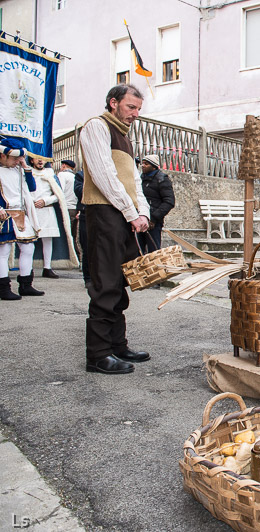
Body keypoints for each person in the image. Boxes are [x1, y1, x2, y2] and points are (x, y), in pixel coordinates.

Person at [79, 84, 151, 375]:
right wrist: (131, 212)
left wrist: (142, 212)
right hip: (104, 213)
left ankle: (117, 344)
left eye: (138, 109)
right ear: (113, 102)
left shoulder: (124, 136)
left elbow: (134, 181)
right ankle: (97, 354)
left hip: (123, 215)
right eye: (130, 107)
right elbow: (103, 176)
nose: (135, 114)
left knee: (119, 283)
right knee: (105, 284)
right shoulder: (96, 127)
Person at [0, 138, 45, 299]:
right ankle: (3, 288)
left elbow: (32, 188)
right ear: (2, 156)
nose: (17, 161)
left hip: (21, 213)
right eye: (14, 158)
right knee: (3, 251)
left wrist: (25, 167)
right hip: (4, 213)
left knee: (28, 248)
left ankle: (26, 285)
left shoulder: (18, 170)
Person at [29, 156, 77, 278]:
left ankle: (47, 267)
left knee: (47, 240)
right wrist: (31, 202)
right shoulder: (28, 173)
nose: (40, 161)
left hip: (47, 210)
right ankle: (28, 268)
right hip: (32, 211)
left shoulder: (50, 174)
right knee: (29, 241)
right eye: (37, 158)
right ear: (31, 160)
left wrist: (45, 201)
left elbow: (58, 195)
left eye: (42, 159)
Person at [137, 154, 175, 253]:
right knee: (138, 250)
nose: (143, 166)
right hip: (140, 219)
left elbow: (169, 201)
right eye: (143, 163)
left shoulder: (162, 179)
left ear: (153, 166)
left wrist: (153, 218)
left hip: (154, 222)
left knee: (153, 251)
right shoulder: (140, 179)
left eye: (146, 164)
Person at [57, 159, 79, 255]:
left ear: (64, 166)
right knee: (73, 235)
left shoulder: (62, 175)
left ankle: (65, 255)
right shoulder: (75, 177)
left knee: (64, 234)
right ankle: (76, 256)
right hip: (74, 209)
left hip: (65, 208)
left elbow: (59, 190)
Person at [73, 170, 91, 288]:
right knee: (87, 247)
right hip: (87, 213)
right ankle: (88, 278)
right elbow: (79, 192)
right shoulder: (81, 175)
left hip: (104, 214)